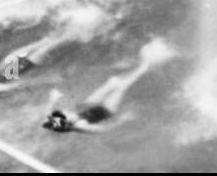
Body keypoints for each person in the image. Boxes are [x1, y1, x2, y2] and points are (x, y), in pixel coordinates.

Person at [42, 38, 174, 133]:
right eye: (65, 113)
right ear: (67, 121)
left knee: (112, 81)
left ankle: (137, 66)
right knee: (121, 87)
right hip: (105, 111)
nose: (65, 110)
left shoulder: (57, 119)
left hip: (85, 106)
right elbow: (101, 129)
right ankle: (144, 67)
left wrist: (52, 99)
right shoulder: (81, 125)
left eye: (62, 112)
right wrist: (122, 120)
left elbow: (47, 115)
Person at [0, 25, 83, 96]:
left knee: (48, 40)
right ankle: (79, 32)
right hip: (26, 64)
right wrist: (45, 81)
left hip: (16, 59)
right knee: (53, 44)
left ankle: (71, 27)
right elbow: (17, 85)